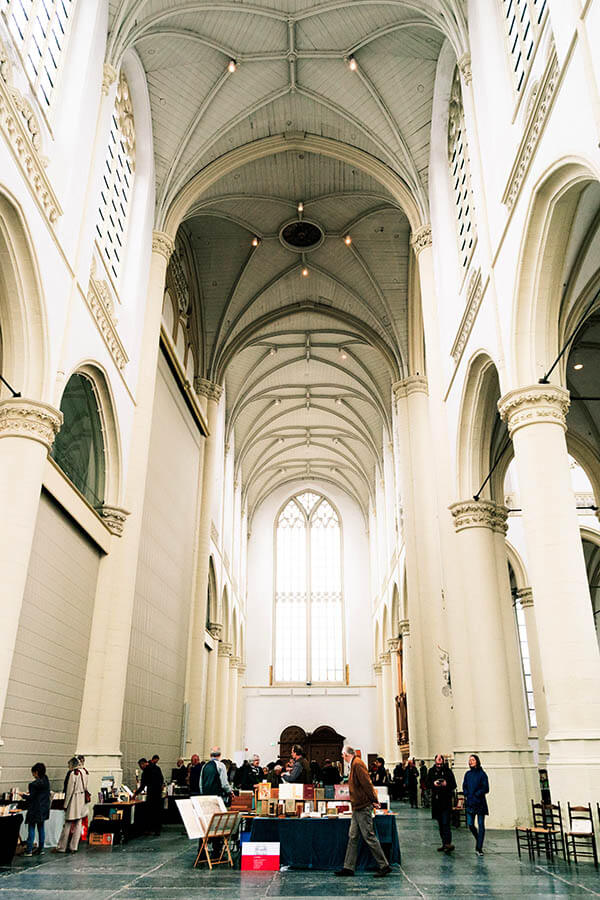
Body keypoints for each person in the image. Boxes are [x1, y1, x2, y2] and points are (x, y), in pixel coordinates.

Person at [335, 745, 391, 878]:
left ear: (347, 754)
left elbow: (367, 783)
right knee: (353, 836)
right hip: (357, 807)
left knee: (369, 836)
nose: (342, 757)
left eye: (343, 755)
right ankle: (348, 867)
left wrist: (374, 800)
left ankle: (384, 865)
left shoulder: (358, 764)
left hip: (363, 806)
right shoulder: (353, 764)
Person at [55, 757, 87, 853]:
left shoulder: (74, 774)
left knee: (68, 823)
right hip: (82, 798)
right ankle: (74, 846)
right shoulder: (85, 772)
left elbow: (69, 790)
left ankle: (62, 846)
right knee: (78, 823)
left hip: (74, 800)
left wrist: (65, 804)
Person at [427, 754, 457, 853]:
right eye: (437, 762)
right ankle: (444, 843)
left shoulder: (448, 772)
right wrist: (433, 784)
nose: (439, 764)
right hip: (436, 802)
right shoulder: (431, 771)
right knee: (440, 824)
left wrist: (446, 784)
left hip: (446, 801)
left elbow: (453, 785)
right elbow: (427, 784)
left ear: (443, 762)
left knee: (446, 823)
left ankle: (448, 843)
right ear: (435, 761)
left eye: (441, 762)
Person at [462, 754, 489, 856]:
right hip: (470, 802)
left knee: (481, 824)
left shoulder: (482, 774)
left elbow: (486, 788)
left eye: (472, 760)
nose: (470, 762)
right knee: (470, 824)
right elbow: (464, 785)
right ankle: (479, 840)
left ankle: (479, 847)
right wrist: (467, 794)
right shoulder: (467, 774)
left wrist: (476, 794)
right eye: (469, 760)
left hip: (480, 802)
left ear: (477, 761)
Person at [23, 762, 51, 856]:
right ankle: (41, 849)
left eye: (33, 773)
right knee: (41, 828)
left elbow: (31, 798)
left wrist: (22, 795)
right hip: (44, 808)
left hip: (34, 809)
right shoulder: (46, 780)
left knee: (31, 828)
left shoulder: (33, 785)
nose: (33, 775)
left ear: (36, 772)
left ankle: (29, 850)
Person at [133, 757, 164, 835]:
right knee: (157, 812)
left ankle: (149, 829)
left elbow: (142, 786)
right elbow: (161, 779)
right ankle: (157, 830)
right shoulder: (157, 768)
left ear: (143, 764)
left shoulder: (145, 773)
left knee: (149, 812)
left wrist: (135, 794)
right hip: (158, 793)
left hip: (151, 793)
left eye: (141, 766)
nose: (141, 768)